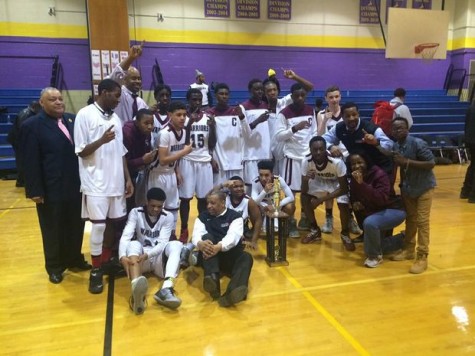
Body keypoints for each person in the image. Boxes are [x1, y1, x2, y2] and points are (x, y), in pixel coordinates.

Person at [21, 87, 90, 284]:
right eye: (52, 100)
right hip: (51, 188)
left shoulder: (72, 119)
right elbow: (30, 161)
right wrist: (34, 190)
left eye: (60, 98)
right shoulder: (32, 126)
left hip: (75, 185)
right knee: (53, 228)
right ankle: (54, 266)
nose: (59, 102)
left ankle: (74, 258)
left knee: (76, 224)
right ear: (42, 103)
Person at [74, 78, 134, 294]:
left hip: (116, 181)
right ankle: (95, 271)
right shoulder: (85, 114)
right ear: (104, 92)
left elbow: (121, 152)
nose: (119, 99)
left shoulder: (116, 118)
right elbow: (80, 151)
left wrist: (127, 178)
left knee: (113, 225)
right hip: (95, 183)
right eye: (116, 95)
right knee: (98, 226)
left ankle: (107, 260)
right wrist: (101, 140)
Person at [119, 188, 184, 314]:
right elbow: (126, 236)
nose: (156, 209)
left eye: (159, 206)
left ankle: (166, 289)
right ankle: (136, 292)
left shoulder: (168, 216)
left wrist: (148, 255)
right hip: (140, 260)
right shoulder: (136, 212)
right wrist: (122, 256)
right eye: (153, 205)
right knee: (133, 244)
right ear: (146, 202)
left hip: (156, 259)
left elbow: (163, 243)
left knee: (176, 244)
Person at [389, 117, 436, 274]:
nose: (398, 131)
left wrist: (407, 162)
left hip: (424, 187)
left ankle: (422, 256)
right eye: (395, 129)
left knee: (422, 222)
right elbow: (401, 167)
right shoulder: (396, 145)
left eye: (401, 128)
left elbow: (431, 163)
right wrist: (402, 185)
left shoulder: (417, 143)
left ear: (407, 129)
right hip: (408, 189)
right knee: (411, 219)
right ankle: (409, 249)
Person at [192, 189, 253, 307]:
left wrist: (219, 247)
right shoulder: (203, 217)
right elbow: (196, 234)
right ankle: (213, 282)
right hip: (210, 258)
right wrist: (200, 243)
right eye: (208, 203)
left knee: (246, 257)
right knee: (206, 238)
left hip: (228, 255)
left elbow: (233, 237)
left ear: (223, 203)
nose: (209, 206)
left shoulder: (235, 217)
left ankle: (232, 293)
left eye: (213, 203)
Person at [314, 86, 361, 236]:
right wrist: (324, 120)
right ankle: (328, 218)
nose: (334, 100)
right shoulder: (321, 114)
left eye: (336, 96)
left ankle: (350, 219)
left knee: (349, 187)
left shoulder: (347, 113)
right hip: (330, 155)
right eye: (331, 97)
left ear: (340, 97)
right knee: (330, 187)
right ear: (326, 98)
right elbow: (319, 136)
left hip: (347, 155)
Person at [348, 152, 406, 268]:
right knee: (370, 246)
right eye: (353, 164)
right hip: (376, 211)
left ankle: (375, 257)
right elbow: (354, 195)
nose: (356, 166)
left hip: (393, 210)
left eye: (359, 162)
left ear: (366, 162)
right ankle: (403, 239)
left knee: (370, 223)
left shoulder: (379, 174)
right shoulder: (355, 177)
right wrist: (355, 203)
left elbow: (381, 200)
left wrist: (362, 184)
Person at [275, 82, 317, 236]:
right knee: (290, 193)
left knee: (308, 191)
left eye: (302, 95)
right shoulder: (284, 113)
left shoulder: (310, 110)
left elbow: (314, 132)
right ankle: (290, 222)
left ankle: (305, 219)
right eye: (296, 95)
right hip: (291, 158)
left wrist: (313, 153)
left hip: (307, 157)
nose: (300, 98)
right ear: (291, 96)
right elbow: (278, 136)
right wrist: (294, 128)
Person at [300, 136, 353, 251]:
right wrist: (305, 180)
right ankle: (315, 230)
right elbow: (303, 190)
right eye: (315, 149)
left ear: (325, 149)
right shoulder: (306, 161)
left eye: (321, 149)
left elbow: (344, 189)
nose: (318, 152)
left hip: (337, 183)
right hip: (320, 182)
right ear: (310, 150)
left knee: (342, 204)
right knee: (304, 198)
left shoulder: (336, 162)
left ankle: (345, 233)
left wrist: (320, 200)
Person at [148, 101, 192, 238]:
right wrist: (184, 152)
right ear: (170, 115)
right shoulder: (164, 133)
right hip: (157, 174)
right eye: (178, 115)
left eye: (184, 115)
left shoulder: (184, 132)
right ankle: (155, 236)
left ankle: (171, 235)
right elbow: (163, 159)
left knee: (173, 208)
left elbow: (174, 156)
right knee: (156, 208)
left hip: (171, 173)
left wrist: (177, 171)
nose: (182, 118)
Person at [178, 88, 216, 242]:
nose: (197, 102)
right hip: (187, 160)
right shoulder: (183, 118)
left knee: (203, 199)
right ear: (188, 100)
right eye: (193, 99)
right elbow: (181, 142)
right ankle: (184, 229)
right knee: (185, 199)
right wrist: (189, 124)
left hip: (204, 161)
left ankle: (201, 228)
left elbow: (212, 143)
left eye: (199, 99)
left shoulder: (208, 117)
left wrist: (213, 127)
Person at [322, 102, 394, 180]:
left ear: (358, 114)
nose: (351, 118)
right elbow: (322, 140)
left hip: (380, 166)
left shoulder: (371, 128)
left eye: (354, 115)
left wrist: (376, 142)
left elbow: (390, 146)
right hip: (359, 167)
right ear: (342, 117)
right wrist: (330, 146)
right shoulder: (339, 128)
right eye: (348, 116)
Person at [262, 69, 314, 177]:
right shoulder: (260, 109)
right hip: (267, 152)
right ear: (264, 92)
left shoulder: (284, 102)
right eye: (269, 91)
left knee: (284, 184)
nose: (272, 92)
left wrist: (295, 77)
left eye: (274, 90)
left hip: (285, 152)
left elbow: (309, 88)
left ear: (278, 90)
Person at [206, 83, 251, 185]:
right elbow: (207, 141)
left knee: (236, 193)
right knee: (219, 194)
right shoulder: (209, 114)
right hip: (219, 162)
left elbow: (248, 134)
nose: (224, 96)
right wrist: (211, 158)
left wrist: (242, 118)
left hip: (236, 161)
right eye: (221, 93)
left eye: (226, 94)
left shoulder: (236, 112)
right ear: (215, 95)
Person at [251, 160, 298, 237]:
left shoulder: (278, 180)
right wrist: (265, 191)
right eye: (261, 175)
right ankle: (256, 226)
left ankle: (287, 224)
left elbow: (291, 197)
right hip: (262, 208)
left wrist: (275, 206)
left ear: (272, 174)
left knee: (290, 206)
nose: (263, 178)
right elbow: (255, 202)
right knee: (251, 205)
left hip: (276, 206)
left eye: (266, 175)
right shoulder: (256, 182)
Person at [240, 79, 272, 193]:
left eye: (261, 89)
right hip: (251, 154)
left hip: (266, 152)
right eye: (256, 89)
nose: (259, 91)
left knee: (267, 187)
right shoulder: (243, 107)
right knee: (250, 187)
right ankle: (250, 210)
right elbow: (243, 132)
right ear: (250, 90)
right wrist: (258, 121)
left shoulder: (266, 105)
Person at [122, 108, 157, 210]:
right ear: (137, 123)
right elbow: (122, 161)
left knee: (140, 204)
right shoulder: (127, 133)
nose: (150, 126)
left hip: (140, 172)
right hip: (126, 175)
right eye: (146, 123)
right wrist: (142, 160)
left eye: (152, 123)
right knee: (128, 206)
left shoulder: (147, 133)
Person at [215, 177, 263, 250]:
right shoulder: (225, 197)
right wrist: (222, 185)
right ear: (230, 188)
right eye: (236, 187)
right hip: (224, 228)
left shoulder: (249, 201)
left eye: (241, 186)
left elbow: (258, 220)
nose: (239, 189)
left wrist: (254, 241)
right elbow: (210, 195)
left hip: (241, 230)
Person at [107, 43, 148, 125]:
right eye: (133, 78)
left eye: (139, 79)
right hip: (118, 135)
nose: (137, 81)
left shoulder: (140, 102)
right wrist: (131, 58)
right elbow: (115, 76)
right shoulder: (119, 93)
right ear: (124, 80)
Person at [8, 100, 41, 187]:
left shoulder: (27, 112)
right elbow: (24, 131)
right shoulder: (27, 115)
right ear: (36, 107)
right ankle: (21, 181)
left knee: (22, 160)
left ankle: (21, 180)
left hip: (17, 139)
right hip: (18, 140)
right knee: (22, 161)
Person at [460, 102, 475, 203]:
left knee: (473, 165)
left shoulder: (472, 106)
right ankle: (473, 195)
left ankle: (465, 191)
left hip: (470, 139)